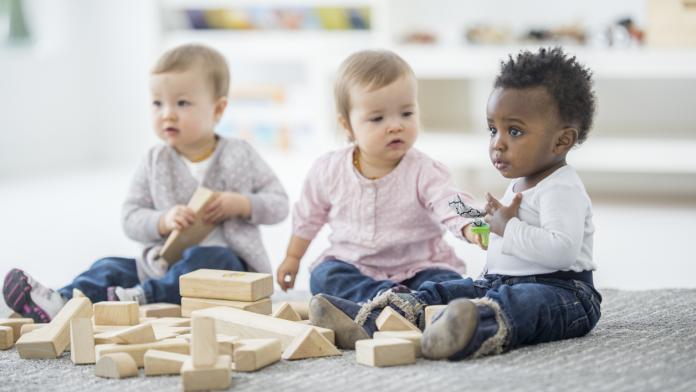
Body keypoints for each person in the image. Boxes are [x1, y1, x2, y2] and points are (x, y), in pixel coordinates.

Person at [309, 47, 602, 358]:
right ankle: (378, 317)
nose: (497, 143)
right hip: (501, 283)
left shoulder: (561, 188)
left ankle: (471, 328)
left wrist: (502, 226)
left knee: (522, 304)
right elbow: (482, 222)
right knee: (448, 291)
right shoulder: (521, 182)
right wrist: (484, 221)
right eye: (493, 129)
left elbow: (561, 251)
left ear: (561, 141)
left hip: (564, 292)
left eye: (514, 131)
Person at [3, 44, 289, 322]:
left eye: (182, 103)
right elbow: (131, 217)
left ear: (217, 110)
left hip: (228, 269)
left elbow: (279, 204)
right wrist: (162, 221)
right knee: (108, 266)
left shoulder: (240, 153)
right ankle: (61, 302)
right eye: (157, 103)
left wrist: (242, 204)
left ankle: (142, 297)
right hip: (161, 263)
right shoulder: (154, 161)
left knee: (210, 259)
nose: (167, 113)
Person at [276, 49, 484, 303]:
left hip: (419, 266)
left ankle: (394, 304)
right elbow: (307, 217)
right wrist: (293, 257)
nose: (395, 125)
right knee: (323, 278)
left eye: (406, 113)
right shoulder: (328, 170)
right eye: (377, 118)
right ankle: (393, 301)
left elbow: (449, 201)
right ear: (347, 126)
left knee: (445, 283)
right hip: (355, 265)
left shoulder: (424, 170)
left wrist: (472, 224)